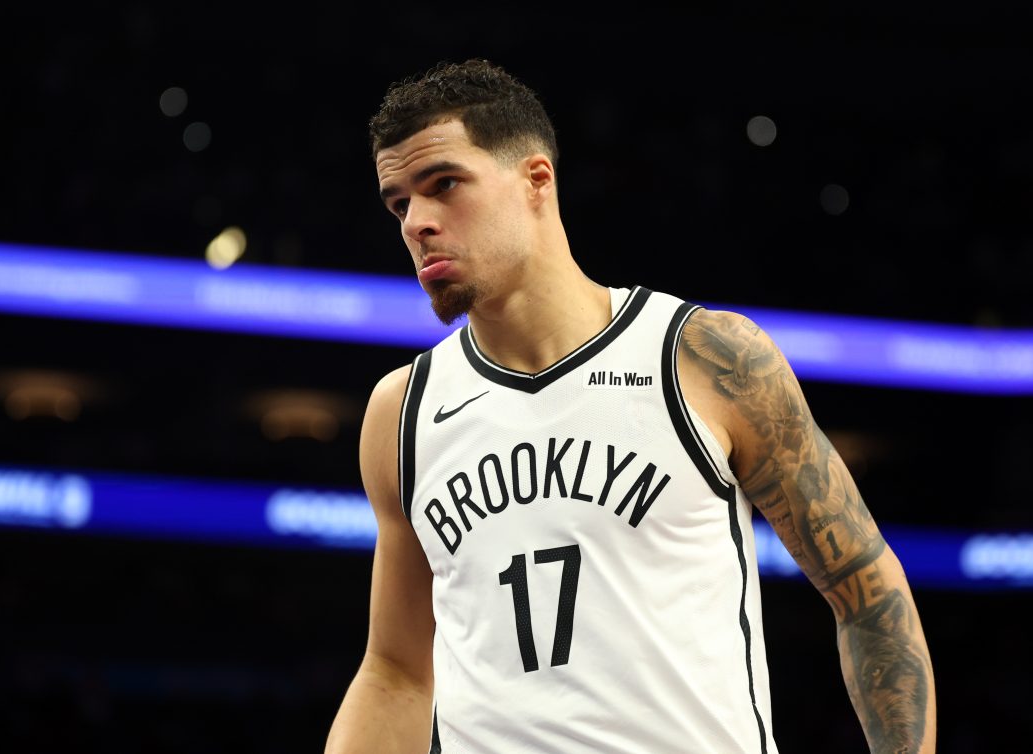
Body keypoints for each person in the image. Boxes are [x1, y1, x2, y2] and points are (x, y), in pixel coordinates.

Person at [325, 59, 936, 754]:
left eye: (444, 185)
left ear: (536, 180)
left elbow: (866, 591)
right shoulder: (401, 410)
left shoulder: (705, 357)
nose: (418, 223)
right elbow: (399, 672)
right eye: (399, 203)